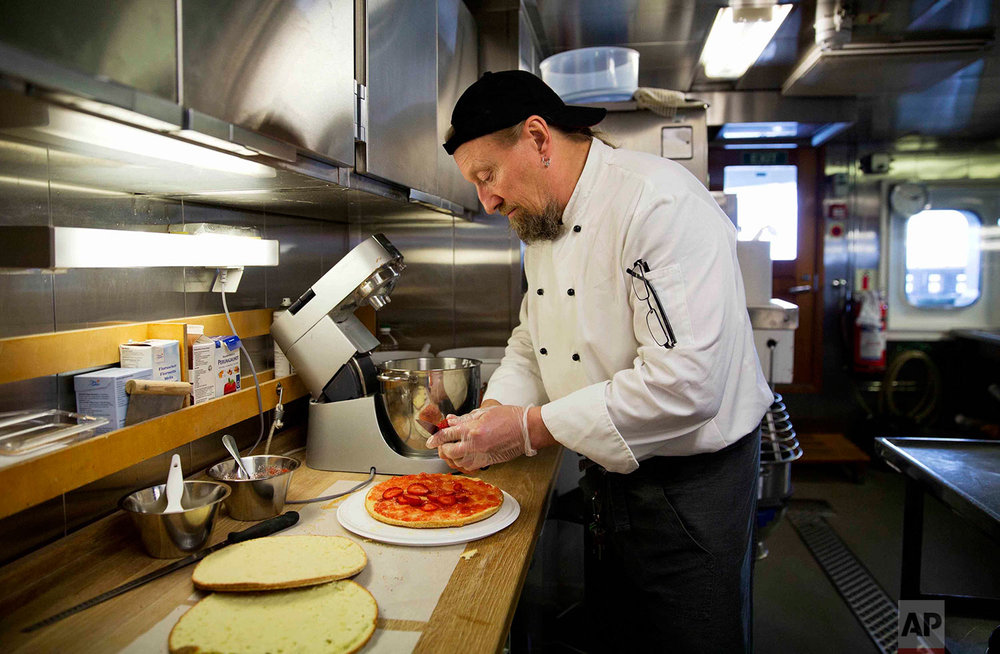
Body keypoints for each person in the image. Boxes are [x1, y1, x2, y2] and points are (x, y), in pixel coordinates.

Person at [427, 70, 773, 652]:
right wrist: (488, 417)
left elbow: (685, 385)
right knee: (620, 634)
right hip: (608, 476)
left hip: (690, 486)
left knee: (690, 640)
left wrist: (531, 429)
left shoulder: (656, 203)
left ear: (538, 139)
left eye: (487, 176)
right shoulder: (540, 222)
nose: (486, 201)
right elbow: (530, 340)